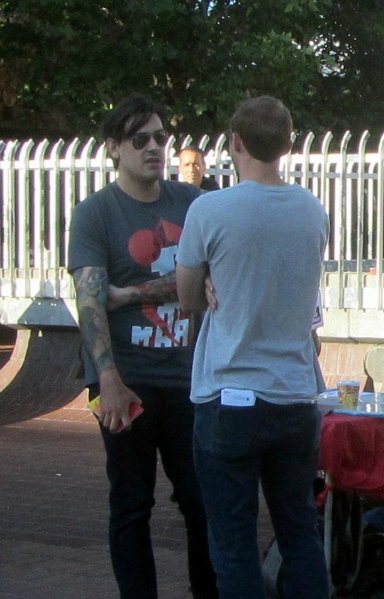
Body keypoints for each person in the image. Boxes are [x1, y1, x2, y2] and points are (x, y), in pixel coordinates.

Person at [176, 95, 330, 599]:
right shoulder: (312, 211)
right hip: (293, 395)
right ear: (288, 143)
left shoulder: (208, 209)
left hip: (229, 396)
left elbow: (185, 298)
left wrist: (206, 284)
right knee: (300, 533)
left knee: (234, 544)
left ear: (235, 143)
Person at [67, 93, 218, 599]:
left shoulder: (193, 204)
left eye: (160, 137)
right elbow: (89, 302)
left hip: (187, 378)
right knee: (131, 503)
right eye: (140, 139)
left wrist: (128, 294)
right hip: (124, 378)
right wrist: (107, 379)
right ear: (114, 148)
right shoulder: (95, 214)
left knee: (201, 500)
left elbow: (210, 284)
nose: (154, 147)